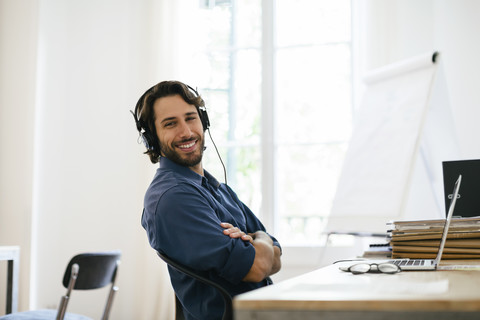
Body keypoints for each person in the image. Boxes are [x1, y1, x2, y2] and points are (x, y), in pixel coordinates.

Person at [132, 80, 282, 320]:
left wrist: (258, 239)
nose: (187, 132)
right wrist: (259, 241)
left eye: (191, 118)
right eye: (170, 124)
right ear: (152, 138)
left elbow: (276, 258)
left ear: (204, 122)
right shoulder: (173, 198)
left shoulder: (217, 189)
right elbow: (259, 268)